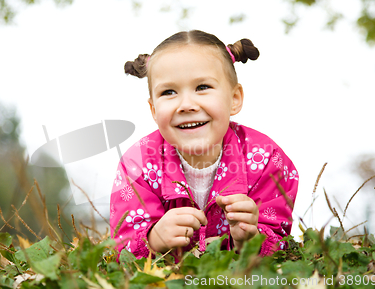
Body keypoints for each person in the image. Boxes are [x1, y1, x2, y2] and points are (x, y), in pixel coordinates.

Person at [109, 30, 298, 260]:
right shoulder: (137, 164)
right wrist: (153, 238)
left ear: (234, 99)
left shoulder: (266, 158)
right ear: (153, 110)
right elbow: (121, 247)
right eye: (169, 92)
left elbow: (281, 241)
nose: (186, 104)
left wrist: (252, 239)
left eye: (202, 87)